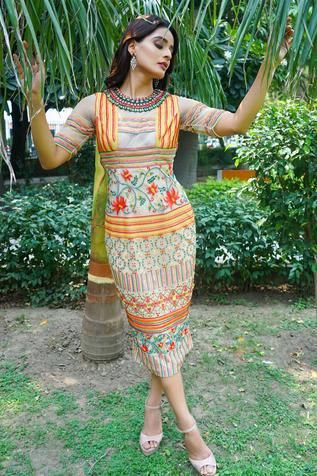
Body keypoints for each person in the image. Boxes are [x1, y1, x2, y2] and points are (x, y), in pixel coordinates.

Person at [14, 13, 293, 476]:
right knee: (153, 325)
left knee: (166, 327)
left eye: (171, 49)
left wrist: (270, 65)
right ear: (131, 46)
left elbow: (238, 123)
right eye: (159, 44)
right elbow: (50, 157)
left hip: (174, 234)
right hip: (127, 241)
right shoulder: (93, 108)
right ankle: (190, 429)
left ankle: (152, 404)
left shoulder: (174, 107)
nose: (167, 54)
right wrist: (35, 99)